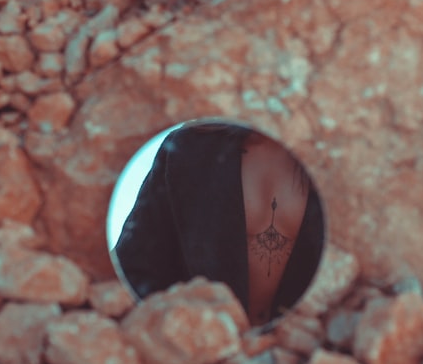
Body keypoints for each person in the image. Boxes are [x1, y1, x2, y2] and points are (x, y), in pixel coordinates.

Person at [112, 121, 325, 328]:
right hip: (199, 345)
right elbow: (132, 268)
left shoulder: (338, 166)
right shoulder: (191, 147)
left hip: (301, 351)